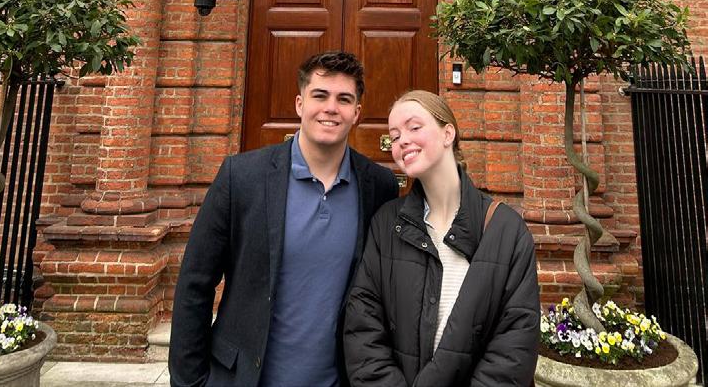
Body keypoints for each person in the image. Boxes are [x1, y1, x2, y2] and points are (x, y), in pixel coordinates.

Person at [169, 50, 398, 387]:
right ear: (299, 104)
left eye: (344, 99)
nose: (331, 108)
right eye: (319, 95)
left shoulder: (379, 186)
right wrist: (189, 382)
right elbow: (195, 283)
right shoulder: (241, 177)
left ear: (357, 113)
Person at [344, 90, 540, 387]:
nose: (402, 141)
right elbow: (363, 328)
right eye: (394, 136)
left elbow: (514, 346)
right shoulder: (386, 225)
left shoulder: (506, 230)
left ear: (448, 133)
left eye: (414, 127)